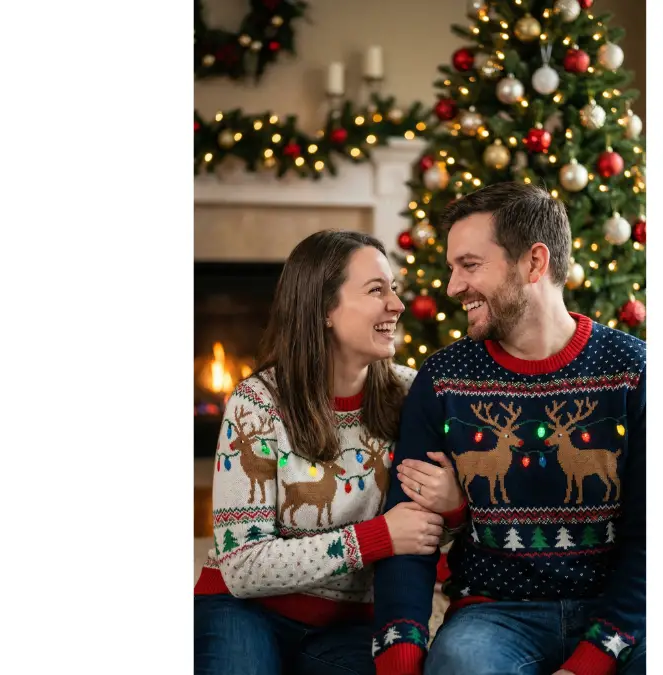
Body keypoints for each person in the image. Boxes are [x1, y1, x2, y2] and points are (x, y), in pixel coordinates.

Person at [372, 182, 647, 675]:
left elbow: (652, 539)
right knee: (457, 664)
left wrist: (594, 658)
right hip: (495, 614)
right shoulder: (442, 380)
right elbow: (409, 535)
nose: (453, 286)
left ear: (534, 264)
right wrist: (401, 656)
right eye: (453, 267)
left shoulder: (635, 372)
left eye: (470, 265)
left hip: (618, 613)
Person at [194, 230, 465, 675]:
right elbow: (242, 566)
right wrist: (375, 537)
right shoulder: (257, 402)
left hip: (350, 626)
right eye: (377, 290)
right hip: (242, 609)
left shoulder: (411, 392)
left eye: (393, 289)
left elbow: (419, 533)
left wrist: (452, 508)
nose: (396, 305)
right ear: (323, 309)